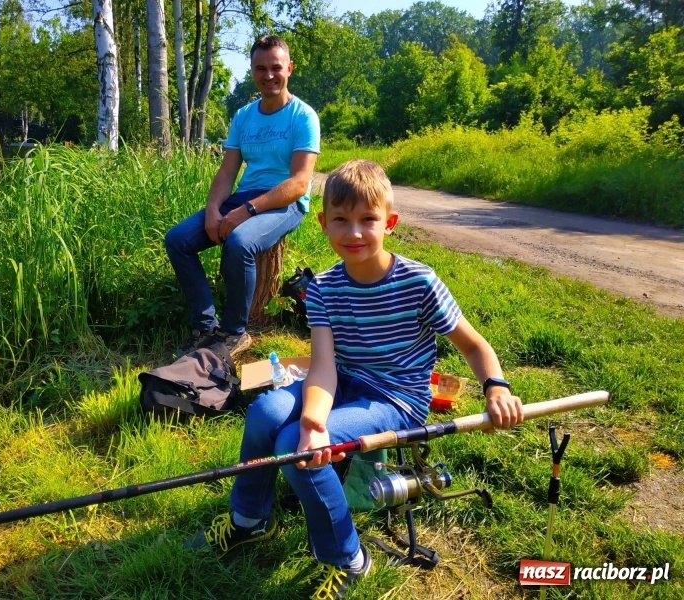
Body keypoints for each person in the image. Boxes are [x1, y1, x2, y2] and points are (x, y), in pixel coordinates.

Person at [185, 159, 524, 599]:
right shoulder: (323, 288)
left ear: (390, 223)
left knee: (291, 448)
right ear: (323, 224)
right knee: (266, 412)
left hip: (396, 399)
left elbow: (474, 346)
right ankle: (249, 520)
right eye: (341, 220)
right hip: (343, 380)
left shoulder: (419, 282)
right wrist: (314, 423)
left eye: (368, 220)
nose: (355, 232)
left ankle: (349, 557)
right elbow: (323, 367)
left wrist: (497, 387)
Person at [165, 35, 320, 357]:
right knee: (178, 240)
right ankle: (205, 326)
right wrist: (213, 208)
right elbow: (226, 172)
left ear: (289, 68)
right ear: (252, 71)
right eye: (261, 68)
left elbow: (299, 183)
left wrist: (246, 211)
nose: (269, 75)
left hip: (285, 203)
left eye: (276, 67)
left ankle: (234, 332)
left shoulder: (303, 116)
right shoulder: (244, 116)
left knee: (239, 243)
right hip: (245, 196)